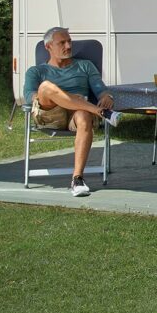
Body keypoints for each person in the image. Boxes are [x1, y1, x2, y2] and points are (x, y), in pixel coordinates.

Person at [23, 27, 127, 197]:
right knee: (46, 87)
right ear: (48, 46)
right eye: (62, 43)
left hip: (78, 115)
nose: (68, 46)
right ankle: (101, 112)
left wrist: (106, 96)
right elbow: (29, 96)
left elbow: (100, 89)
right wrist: (59, 97)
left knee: (84, 115)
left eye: (69, 41)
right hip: (51, 115)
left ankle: (77, 179)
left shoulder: (85, 66)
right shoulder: (36, 71)